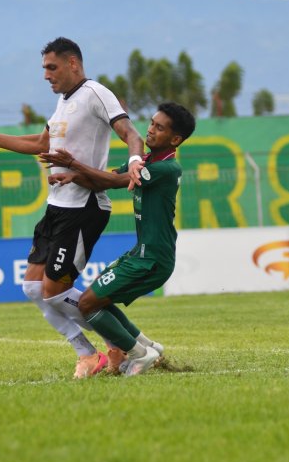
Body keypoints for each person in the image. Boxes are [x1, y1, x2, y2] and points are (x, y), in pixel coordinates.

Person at [0, 36, 144, 378]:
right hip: (56, 207)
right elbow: (41, 143)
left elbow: (131, 133)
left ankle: (128, 346)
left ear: (73, 63)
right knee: (33, 288)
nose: (46, 75)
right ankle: (87, 353)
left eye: (51, 67)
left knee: (55, 292)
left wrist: (134, 159)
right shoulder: (62, 102)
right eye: (44, 68)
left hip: (84, 207)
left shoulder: (96, 93)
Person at [40, 102, 196, 376]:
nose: (150, 130)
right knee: (99, 300)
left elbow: (114, 182)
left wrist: (73, 164)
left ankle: (138, 354)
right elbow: (104, 179)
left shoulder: (167, 169)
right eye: (151, 123)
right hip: (141, 254)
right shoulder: (145, 161)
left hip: (152, 259)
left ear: (175, 139)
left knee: (87, 304)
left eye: (159, 128)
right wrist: (73, 176)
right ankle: (150, 347)